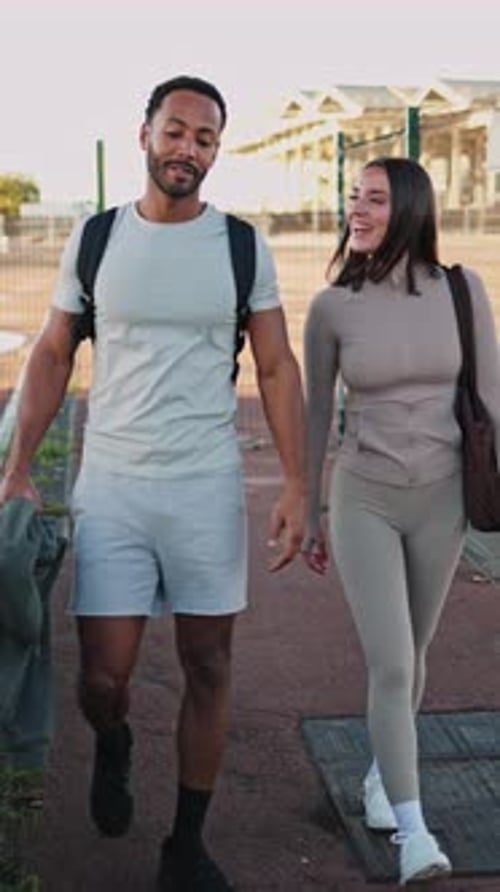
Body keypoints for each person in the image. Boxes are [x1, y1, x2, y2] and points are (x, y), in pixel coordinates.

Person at [0, 75, 305, 892]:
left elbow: (275, 366)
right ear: (145, 135)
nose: (188, 150)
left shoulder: (241, 246)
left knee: (208, 663)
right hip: (115, 486)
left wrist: (297, 487)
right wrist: (18, 466)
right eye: (176, 132)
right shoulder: (96, 239)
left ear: (215, 151)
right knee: (105, 678)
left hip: (204, 485)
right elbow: (54, 354)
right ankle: (113, 741)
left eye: (205, 139)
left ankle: (187, 844)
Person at [302, 156, 500, 885]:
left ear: (411, 208)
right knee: (391, 661)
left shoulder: (462, 289)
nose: (358, 208)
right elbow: (318, 413)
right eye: (354, 196)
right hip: (366, 496)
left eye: (376, 199)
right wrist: (311, 510)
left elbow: (491, 395)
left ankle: (385, 778)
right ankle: (414, 835)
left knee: (415, 654)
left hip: (444, 497)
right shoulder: (331, 307)